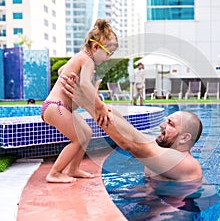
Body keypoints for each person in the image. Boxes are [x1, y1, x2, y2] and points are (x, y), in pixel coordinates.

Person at [60, 73, 203, 181]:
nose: (161, 125)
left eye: (170, 124)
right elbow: (131, 133)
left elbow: (131, 144)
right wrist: (99, 105)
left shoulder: (185, 163)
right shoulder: (163, 148)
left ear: (184, 138)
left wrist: (88, 103)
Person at [41, 19, 118, 183]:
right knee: (77, 138)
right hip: (57, 107)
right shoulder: (88, 60)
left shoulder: (80, 58)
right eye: (108, 54)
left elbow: (63, 70)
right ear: (96, 47)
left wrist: (69, 75)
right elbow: (85, 85)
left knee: (87, 133)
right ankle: (54, 173)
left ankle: (74, 169)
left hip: (57, 107)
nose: (107, 58)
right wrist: (100, 106)